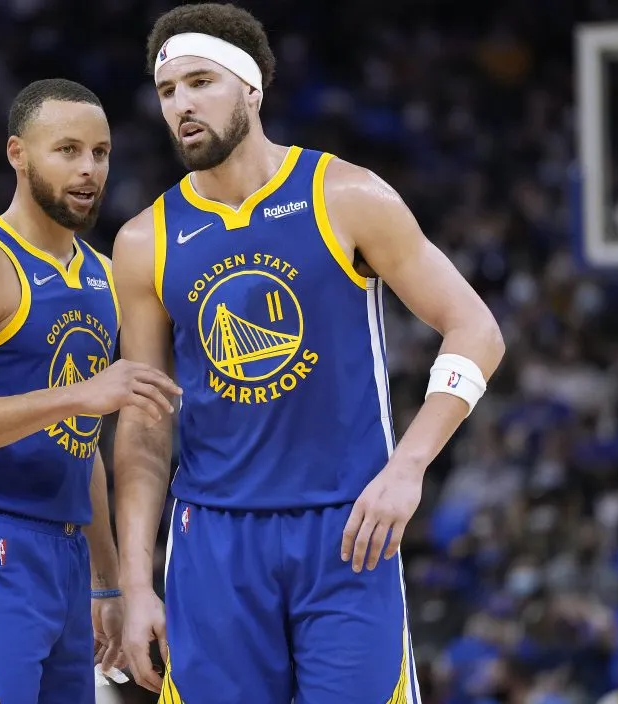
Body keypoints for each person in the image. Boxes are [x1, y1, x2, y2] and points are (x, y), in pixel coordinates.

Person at [111, 4, 506, 703]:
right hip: (213, 541)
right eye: (168, 91)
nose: (182, 105)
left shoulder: (346, 195)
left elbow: (476, 329)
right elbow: (144, 424)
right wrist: (137, 584)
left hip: (347, 529)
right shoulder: (145, 241)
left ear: (252, 89)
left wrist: (409, 466)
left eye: (200, 81)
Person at [0, 78, 181, 703]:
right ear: (17, 153)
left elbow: (78, 448)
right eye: (68, 150)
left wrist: (107, 582)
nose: (89, 170)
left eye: (101, 153)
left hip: (66, 552)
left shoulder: (104, 276)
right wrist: (80, 395)